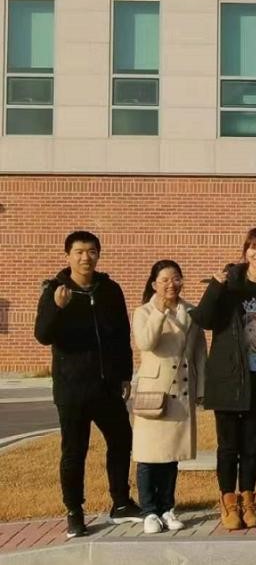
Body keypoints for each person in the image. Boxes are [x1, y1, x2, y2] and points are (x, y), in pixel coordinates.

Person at [34, 231, 141, 539]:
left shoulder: (110, 290)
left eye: (91, 251)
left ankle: (121, 502)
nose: (86, 257)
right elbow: (42, 335)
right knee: (74, 452)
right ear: (68, 256)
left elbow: (121, 335)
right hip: (72, 389)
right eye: (79, 252)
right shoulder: (55, 290)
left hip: (107, 385)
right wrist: (57, 307)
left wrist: (125, 375)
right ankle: (74, 512)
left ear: (98, 255)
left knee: (121, 440)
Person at [193, 227, 256, 530]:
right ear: (245, 250)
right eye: (253, 247)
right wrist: (215, 287)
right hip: (229, 377)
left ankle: (248, 499)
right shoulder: (231, 282)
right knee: (228, 446)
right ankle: (228, 502)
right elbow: (204, 319)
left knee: (251, 447)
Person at [131, 260, 207, 534]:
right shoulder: (143, 311)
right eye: (164, 280)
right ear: (154, 284)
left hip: (181, 391)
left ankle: (167, 507)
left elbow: (199, 352)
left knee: (171, 455)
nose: (171, 285)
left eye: (176, 278)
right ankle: (149, 511)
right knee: (148, 455)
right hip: (155, 392)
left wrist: (202, 389)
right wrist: (160, 313)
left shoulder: (191, 311)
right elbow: (145, 342)